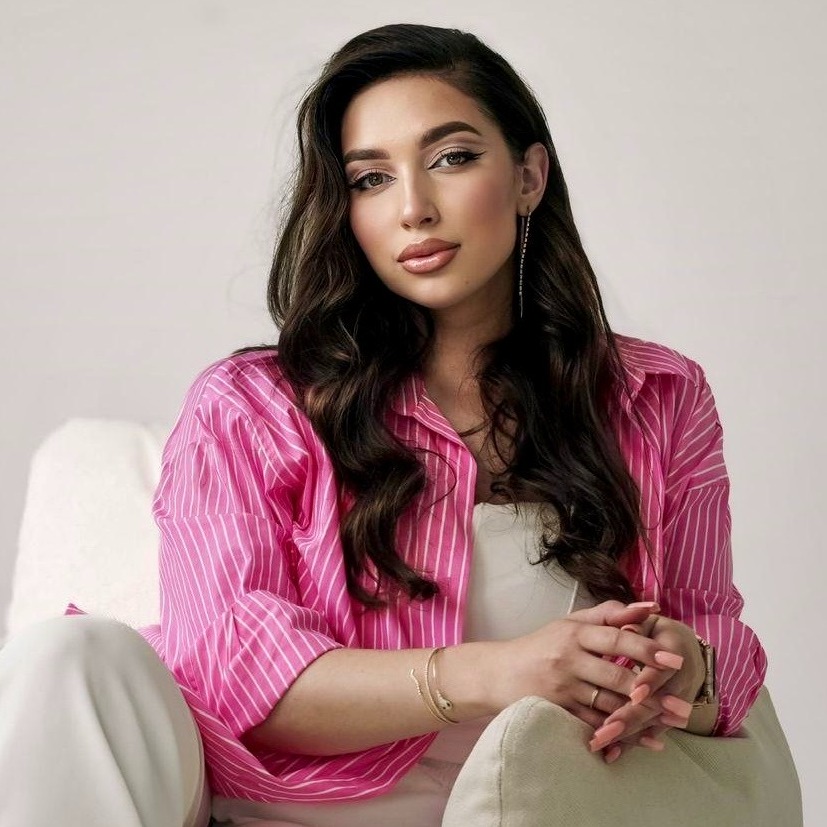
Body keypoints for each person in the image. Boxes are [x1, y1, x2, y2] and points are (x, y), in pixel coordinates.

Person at [0, 22, 767, 827]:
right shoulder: (251, 405)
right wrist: (495, 671)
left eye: (452, 158)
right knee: (68, 655)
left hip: (543, 802)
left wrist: (684, 670)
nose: (413, 209)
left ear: (528, 175)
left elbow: (717, 637)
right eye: (371, 179)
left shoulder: (654, 395)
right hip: (272, 806)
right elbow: (232, 668)